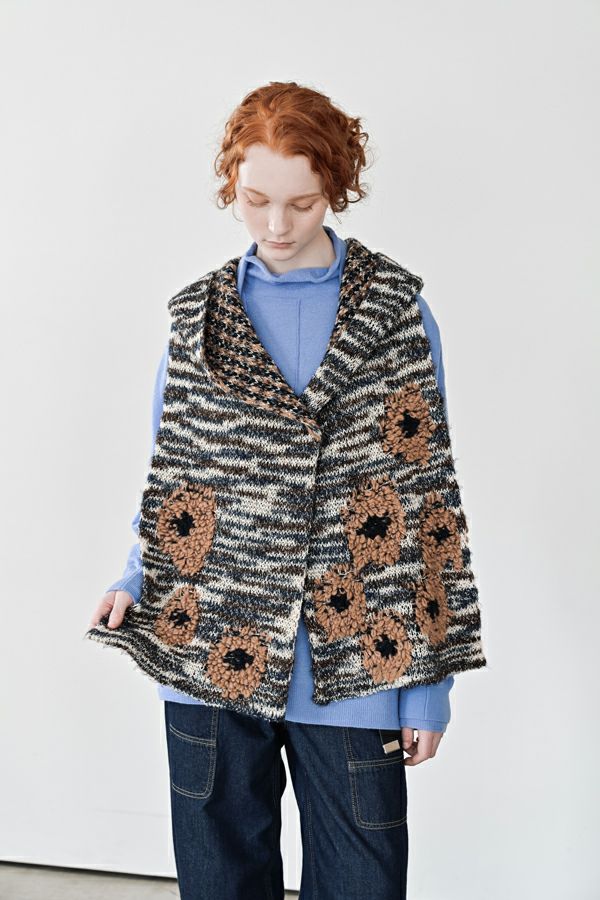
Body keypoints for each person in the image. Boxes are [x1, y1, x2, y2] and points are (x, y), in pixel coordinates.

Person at [87, 81, 486, 900]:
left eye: (301, 203)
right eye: (255, 201)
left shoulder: (395, 315)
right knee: (220, 883)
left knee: (361, 884)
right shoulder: (199, 319)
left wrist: (429, 686)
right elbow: (175, 479)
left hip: (359, 663)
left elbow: (427, 505)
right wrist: (133, 578)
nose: (276, 225)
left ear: (335, 186)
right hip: (208, 648)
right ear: (230, 185)